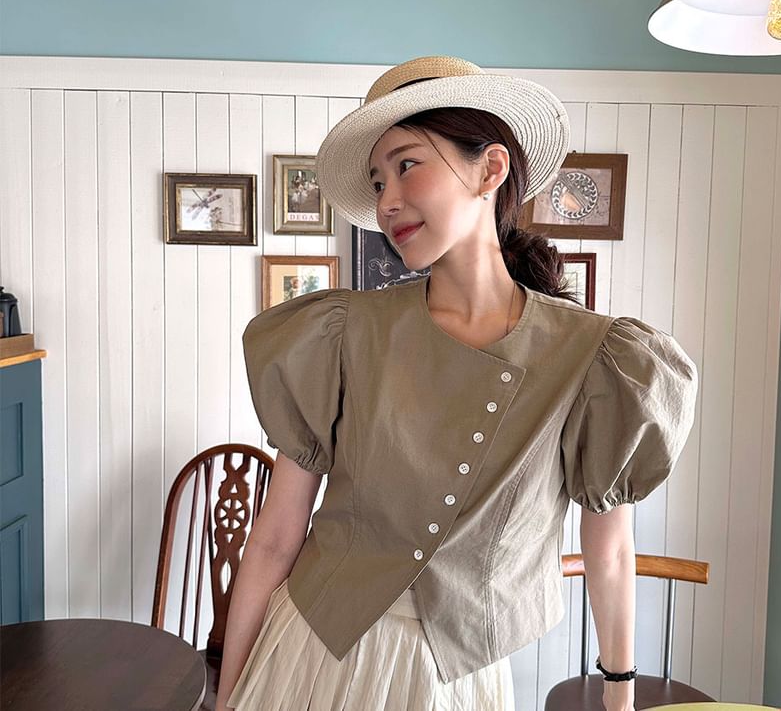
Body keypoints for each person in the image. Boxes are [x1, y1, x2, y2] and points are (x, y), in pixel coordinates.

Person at [215, 55, 698, 711]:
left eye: (407, 165)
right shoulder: (342, 334)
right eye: (377, 181)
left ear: (490, 169)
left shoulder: (594, 358)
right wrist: (230, 696)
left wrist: (619, 693)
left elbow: (609, 547)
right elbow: (276, 538)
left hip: (459, 680)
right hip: (311, 656)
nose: (387, 201)